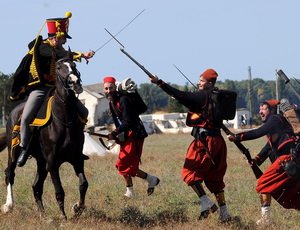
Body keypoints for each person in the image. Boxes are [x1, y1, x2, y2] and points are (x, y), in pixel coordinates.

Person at [12, 12, 95, 167]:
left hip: (57, 89)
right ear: (55, 37)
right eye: (63, 38)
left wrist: (82, 56)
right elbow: (59, 53)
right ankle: (24, 148)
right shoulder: (42, 47)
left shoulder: (58, 49)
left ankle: (77, 147)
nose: (64, 41)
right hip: (41, 90)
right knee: (25, 119)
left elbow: (64, 55)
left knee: (83, 112)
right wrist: (81, 54)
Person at [150, 69, 231, 222]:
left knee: (190, 173)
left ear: (208, 83)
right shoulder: (217, 97)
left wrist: (159, 82)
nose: (199, 82)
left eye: (201, 80)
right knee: (215, 178)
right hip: (218, 141)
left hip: (205, 142)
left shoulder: (202, 96)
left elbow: (180, 95)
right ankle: (224, 213)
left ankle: (206, 203)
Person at [227, 99, 300, 226]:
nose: (260, 111)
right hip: (292, 160)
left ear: (271, 110)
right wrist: (257, 160)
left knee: (263, 184)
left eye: (264, 108)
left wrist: (237, 137)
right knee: (290, 196)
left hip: (287, 159)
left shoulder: (274, 119)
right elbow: (269, 146)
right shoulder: (278, 122)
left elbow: (257, 132)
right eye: (260, 108)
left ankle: (265, 220)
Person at [102, 76, 160, 198]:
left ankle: (131, 191)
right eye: (106, 89)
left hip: (135, 135)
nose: (108, 91)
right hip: (127, 135)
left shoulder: (123, 100)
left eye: (110, 88)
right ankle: (150, 180)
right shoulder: (111, 103)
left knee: (123, 165)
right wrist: (118, 137)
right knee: (125, 166)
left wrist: (115, 132)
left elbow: (128, 122)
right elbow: (118, 122)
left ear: (115, 88)